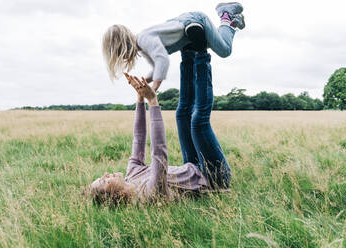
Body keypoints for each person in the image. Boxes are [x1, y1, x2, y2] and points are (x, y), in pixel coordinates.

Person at [89, 47, 231, 204]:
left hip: (191, 165)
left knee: (182, 115)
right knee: (198, 122)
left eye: (101, 177)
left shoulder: (131, 175)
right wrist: (153, 101)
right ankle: (202, 53)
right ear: (114, 196)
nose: (106, 174)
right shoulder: (148, 195)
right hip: (212, 176)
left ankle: (188, 50)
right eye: (103, 181)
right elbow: (159, 155)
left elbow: (139, 138)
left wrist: (140, 99)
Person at [102, 2, 245, 92]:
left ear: (123, 48)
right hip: (187, 31)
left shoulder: (144, 39)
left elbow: (162, 60)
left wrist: (155, 87)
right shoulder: (144, 46)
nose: (125, 58)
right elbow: (157, 67)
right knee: (215, 44)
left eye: (120, 54)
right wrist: (144, 82)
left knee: (225, 51)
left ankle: (226, 14)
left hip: (194, 20)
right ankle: (232, 22)